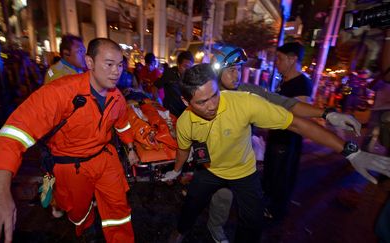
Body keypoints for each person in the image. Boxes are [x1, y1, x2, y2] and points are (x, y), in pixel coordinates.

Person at [164, 64, 390, 243]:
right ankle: (180, 231)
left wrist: (350, 151)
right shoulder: (185, 122)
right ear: (186, 102)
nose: (212, 105)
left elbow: (296, 124)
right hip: (210, 170)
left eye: (214, 95)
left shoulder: (243, 103)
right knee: (191, 204)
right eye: (202, 102)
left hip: (244, 173)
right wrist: (176, 171)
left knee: (252, 222)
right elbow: (183, 150)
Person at [0, 38, 139, 243]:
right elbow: (16, 130)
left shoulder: (117, 98)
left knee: (120, 210)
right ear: (89, 63)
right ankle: (85, 231)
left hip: (106, 159)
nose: (116, 71)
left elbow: (122, 124)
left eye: (120, 65)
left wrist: (130, 148)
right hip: (71, 167)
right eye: (109, 64)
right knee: (78, 211)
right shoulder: (60, 92)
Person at [204, 44, 362, 243]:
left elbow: (285, 104)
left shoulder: (248, 91)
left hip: (244, 166)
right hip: (218, 164)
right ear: (218, 70)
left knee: (251, 215)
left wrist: (327, 113)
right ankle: (214, 227)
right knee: (222, 200)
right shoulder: (206, 95)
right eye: (232, 70)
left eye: (240, 69)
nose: (238, 75)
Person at [262, 42, 314, 221]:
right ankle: (268, 205)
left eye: (280, 58)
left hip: (287, 140)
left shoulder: (302, 84)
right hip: (276, 136)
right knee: (270, 173)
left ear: (292, 60)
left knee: (281, 176)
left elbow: (298, 114)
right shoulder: (284, 80)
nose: (277, 62)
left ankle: (276, 212)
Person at [155, 51, 194, 117]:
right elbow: (155, 87)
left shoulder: (192, 77)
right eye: (185, 66)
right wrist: (158, 100)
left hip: (185, 112)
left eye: (190, 68)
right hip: (170, 112)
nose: (187, 70)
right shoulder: (169, 73)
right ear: (178, 64)